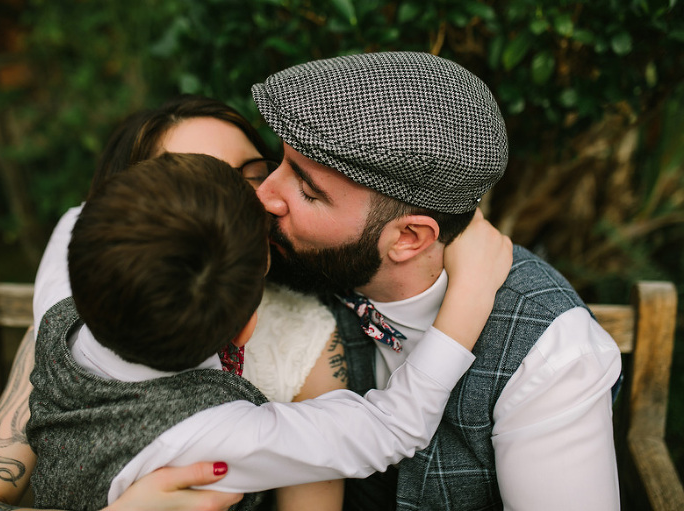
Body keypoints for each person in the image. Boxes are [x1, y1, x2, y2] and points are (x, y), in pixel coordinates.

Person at [27, 152, 511, 511]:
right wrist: (469, 296)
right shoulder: (211, 432)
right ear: (246, 329)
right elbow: (392, 427)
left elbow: (77, 219)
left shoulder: (60, 311)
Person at [250, 51, 623, 510]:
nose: (265, 194)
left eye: (308, 191)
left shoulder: (553, 354)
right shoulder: (294, 268)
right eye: (278, 162)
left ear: (409, 238)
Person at [0, 95, 346, 511]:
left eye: (254, 175)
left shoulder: (306, 336)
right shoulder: (81, 329)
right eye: (201, 185)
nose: (246, 201)